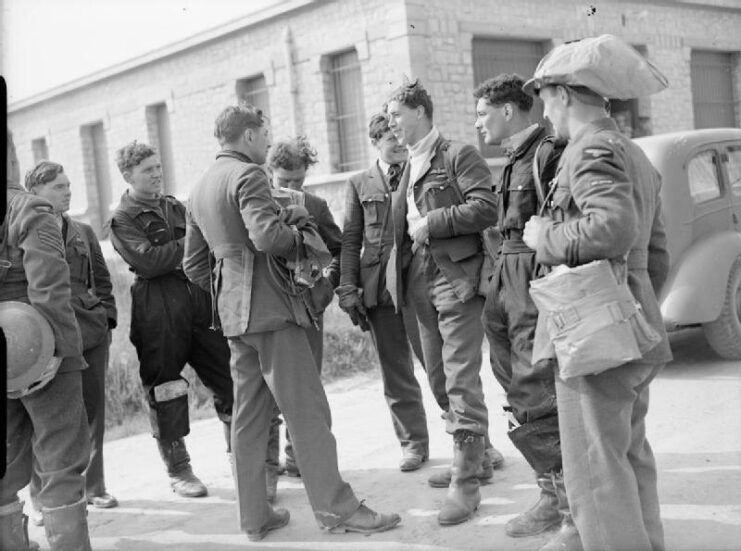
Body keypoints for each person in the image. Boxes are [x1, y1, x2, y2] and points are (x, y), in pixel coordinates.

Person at [182, 104, 400, 541]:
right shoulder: (248, 176)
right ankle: (338, 511)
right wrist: (299, 237)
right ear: (247, 136)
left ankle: (256, 518)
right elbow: (266, 237)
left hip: (236, 318)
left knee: (249, 418)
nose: (266, 143)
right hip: (275, 311)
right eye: (263, 135)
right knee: (308, 412)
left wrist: (232, 287)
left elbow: (193, 265)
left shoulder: (199, 186)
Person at [522, 34, 672, 551]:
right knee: (628, 457)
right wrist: (635, 308)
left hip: (595, 338)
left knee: (595, 471)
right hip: (630, 328)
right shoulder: (632, 151)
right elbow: (656, 256)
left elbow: (613, 228)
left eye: (545, 99)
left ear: (565, 94)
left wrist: (546, 238)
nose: (545, 114)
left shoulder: (588, 151)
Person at [384, 79, 500, 526]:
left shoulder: (457, 155)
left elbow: (485, 208)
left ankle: (466, 485)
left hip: (454, 276)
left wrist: (434, 221)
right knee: (436, 376)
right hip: (416, 279)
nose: (391, 123)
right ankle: (478, 457)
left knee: (460, 379)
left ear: (419, 111)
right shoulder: (406, 166)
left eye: (396, 114)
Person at [109, 141, 233, 498]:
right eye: (148, 169)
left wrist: (186, 246)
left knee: (228, 375)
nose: (157, 174)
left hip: (197, 298)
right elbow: (150, 262)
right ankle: (180, 470)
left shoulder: (175, 206)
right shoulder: (123, 218)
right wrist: (190, 241)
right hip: (157, 307)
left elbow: (205, 246)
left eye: (158, 166)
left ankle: (241, 455)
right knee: (165, 387)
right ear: (128, 175)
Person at [473, 74, 566, 539]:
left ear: (508, 111)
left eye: (482, 112)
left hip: (531, 272)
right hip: (505, 273)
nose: (477, 123)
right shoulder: (512, 158)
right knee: (510, 380)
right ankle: (548, 487)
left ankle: (561, 501)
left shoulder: (547, 152)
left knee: (535, 383)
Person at [1, 129, 92, 550]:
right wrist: (60, 353)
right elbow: (51, 289)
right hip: (41, 351)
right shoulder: (32, 209)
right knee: (61, 462)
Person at [336, 113, 433, 473]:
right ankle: (413, 444)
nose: (396, 143)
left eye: (399, 136)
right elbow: (350, 239)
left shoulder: (419, 174)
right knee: (395, 370)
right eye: (387, 137)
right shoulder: (358, 183)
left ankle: (472, 441)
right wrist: (348, 287)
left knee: (437, 363)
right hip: (379, 286)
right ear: (375, 140)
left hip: (418, 279)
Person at [25, 161, 119, 526]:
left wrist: (107, 318)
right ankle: (43, 497)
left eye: (68, 184)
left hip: (91, 331)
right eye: (58, 186)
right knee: (45, 417)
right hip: (46, 334)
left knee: (92, 411)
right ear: (36, 192)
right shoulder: (26, 229)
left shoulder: (81, 230)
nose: (68, 191)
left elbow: (103, 278)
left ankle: (93, 487)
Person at [264, 136, 342, 489]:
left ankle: (298, 457)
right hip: (273, 309)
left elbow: (340, 251)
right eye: (285, 181)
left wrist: (325, 287)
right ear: (270, 172)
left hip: (310, 308)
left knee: (308, 383)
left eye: (299, 180)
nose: (293, 187)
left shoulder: (316, 204)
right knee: (273, 385)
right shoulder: (259, 203)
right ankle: (269, 461)